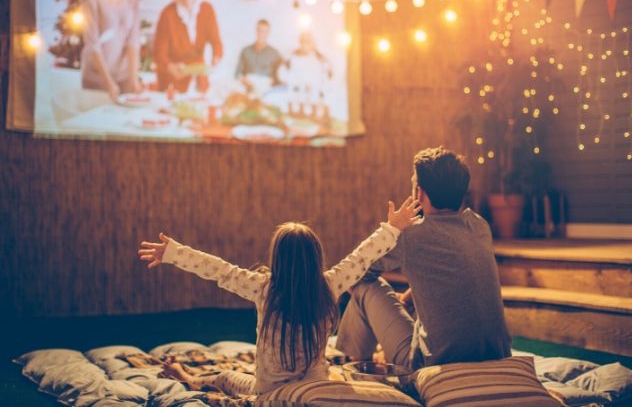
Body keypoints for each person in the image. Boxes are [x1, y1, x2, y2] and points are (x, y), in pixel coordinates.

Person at [137, 197, 421, 396]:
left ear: (278, 259)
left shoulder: (264, 288)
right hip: (315, 388)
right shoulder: (329, 284)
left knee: (224, 378)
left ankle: (187, 377)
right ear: (316, 257)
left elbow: (220, 270)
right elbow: (361, 258)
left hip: (268, 392)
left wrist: (173, 253)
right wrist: (392, 228)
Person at [336, 147, 512, 370]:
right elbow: (453, 275)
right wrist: (407, 299)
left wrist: (392, 228)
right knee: (396, 301)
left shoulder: (411, 236)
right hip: (497, 355)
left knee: (364, 287)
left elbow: (357, 273)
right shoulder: (479, 225)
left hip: (431, 365)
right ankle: (355, 359)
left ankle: (356, 363)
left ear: (419, 193)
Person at [79, 0, 141, 101]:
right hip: (98, 78)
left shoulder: (132, 1)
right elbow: (93, 44)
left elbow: (133, 42)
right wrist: (109, 83)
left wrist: (133, 78)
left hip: (124, 77)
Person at [154, 0, 223, 94]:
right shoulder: (167, 13)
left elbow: (216, 40)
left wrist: (216, 58)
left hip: (199, 76)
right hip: (173, 78)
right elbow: (159, 52)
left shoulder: (207, 9)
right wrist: (170, 67)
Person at [234, 19, 283, 96]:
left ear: (268, 33)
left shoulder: (275, 54)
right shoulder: (246, 51)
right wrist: (245, 82)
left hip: (267, 88)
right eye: (259, 30)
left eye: (265, 31)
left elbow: (280, 76)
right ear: (256, 31)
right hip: (247, 87)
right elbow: (237, 74)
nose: (261, 34)